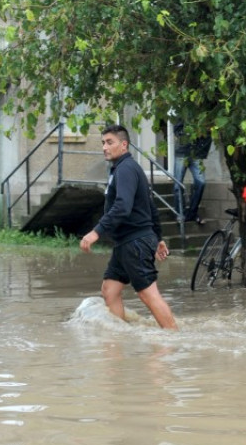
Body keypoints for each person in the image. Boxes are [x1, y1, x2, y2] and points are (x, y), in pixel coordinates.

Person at [80, 124, 178, 329]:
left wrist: (96, 232)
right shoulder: (124, 169)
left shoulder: (125, 169)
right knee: (110, 290)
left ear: (123, 145)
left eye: (110, 142)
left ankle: (173, 340)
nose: (104, 147)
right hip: (127, 242)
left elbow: (122, 207)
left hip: (135, 242)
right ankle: (118, 340)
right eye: (103, 143)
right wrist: (159, 238)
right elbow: (150, 206)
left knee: (148, 294)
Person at [172, 124, 211, 225]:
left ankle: (192, 213)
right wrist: (189, 134)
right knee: (177, 184)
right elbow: (177, 129)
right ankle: (180, 213)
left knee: (201, 182)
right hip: (182, 152)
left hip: (196, 154)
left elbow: (208, 132)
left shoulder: (202, 114)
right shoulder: (183, 111)